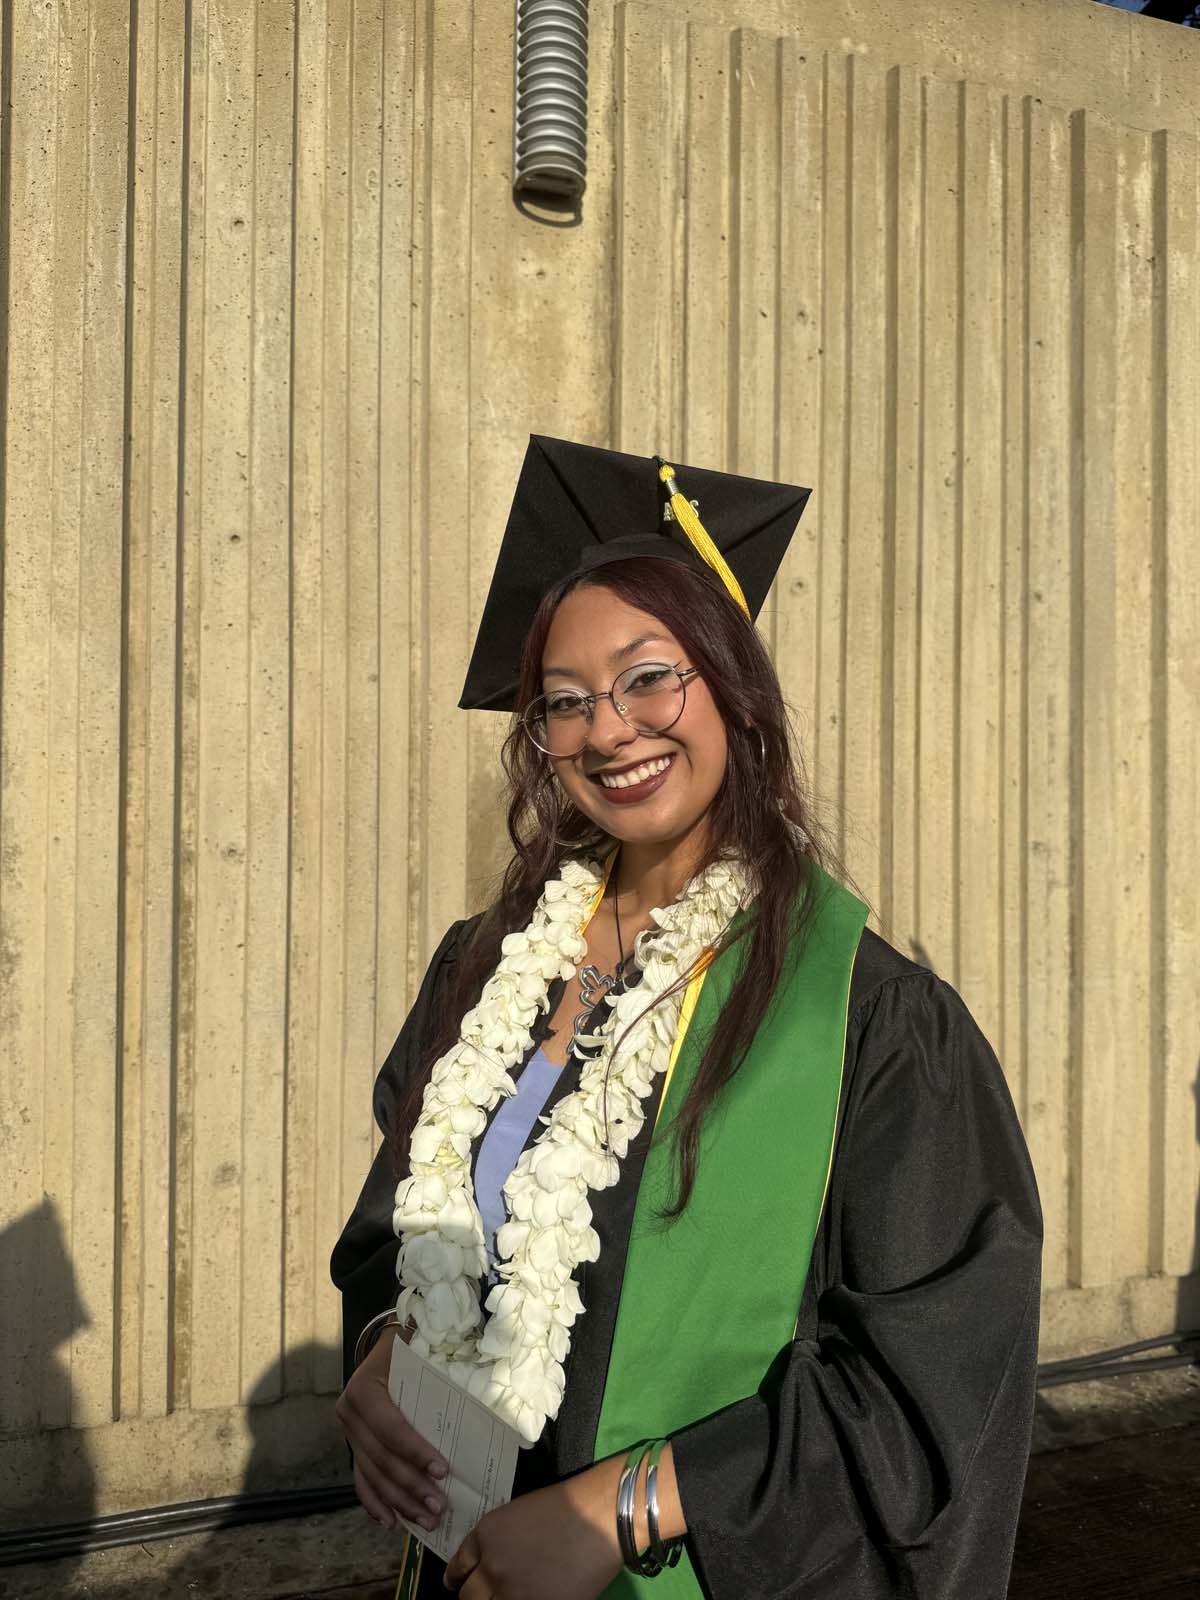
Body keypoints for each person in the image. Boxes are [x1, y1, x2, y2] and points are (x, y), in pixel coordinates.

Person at [331, 437, 1042, 1599]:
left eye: (650, 676)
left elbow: (931, 1388)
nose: (609, 729)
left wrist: (612, 1513)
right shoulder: (486, 970)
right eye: (565, 701)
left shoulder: (872, 1021)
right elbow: (392, 1228)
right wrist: (377, 1355)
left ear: (735, 687)